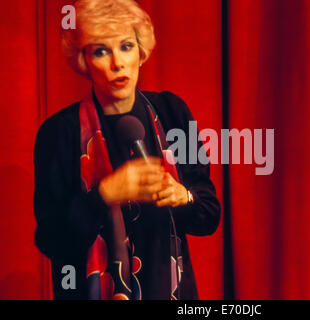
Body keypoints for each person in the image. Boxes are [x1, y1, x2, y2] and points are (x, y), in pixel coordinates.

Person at [33, 0, 221, 300]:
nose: (117, 63)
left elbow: (209, 215)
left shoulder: (173, 113)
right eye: (101, 51)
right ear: (83, 60)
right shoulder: (59, 132)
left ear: (141, 51)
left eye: (125, 46)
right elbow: (51, 240)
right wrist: (104, 195)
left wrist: (183, 196)